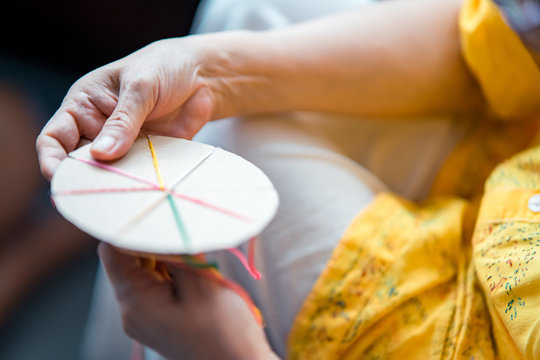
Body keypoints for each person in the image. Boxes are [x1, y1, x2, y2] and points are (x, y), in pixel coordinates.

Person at [36, 0, 540, 358]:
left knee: (224, 139)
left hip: (439, 331)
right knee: (245, 16)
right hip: (507, 174)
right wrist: (211, 74)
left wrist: (230, 353)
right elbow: (506, 38)